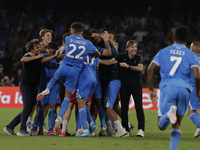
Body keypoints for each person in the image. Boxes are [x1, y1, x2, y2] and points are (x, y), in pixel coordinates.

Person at [37, 22, 98, 134]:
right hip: (75, 71)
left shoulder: (69, 38)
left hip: (64, 66)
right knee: (67, 97)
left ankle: (47, 89)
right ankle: (60, 117)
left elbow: (62, 49)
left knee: (55, 78)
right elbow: (97, 53)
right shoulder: (87, 43)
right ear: (82, 31)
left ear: (72, 30)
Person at [147, 25, 200, 150]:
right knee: (177, 125)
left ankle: (168, 114)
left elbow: (150, 69)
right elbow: (197, 76)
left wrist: (150, 90)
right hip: (185, 89)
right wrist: (198, 91)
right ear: (187, 40)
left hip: (168, 87)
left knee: (162, 125)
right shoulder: (191, 54)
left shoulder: (163, 52)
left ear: (174, 37)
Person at [3, 39, 59, 136]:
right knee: (27, 107)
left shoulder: (38, 57)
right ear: (32, 48)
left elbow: (44, 60)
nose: (39, 48)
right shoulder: (28, 55)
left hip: (33, 86)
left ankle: (10, 126)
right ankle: (22, 130)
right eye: (37, 47)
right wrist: (36, 57)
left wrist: (55, 55)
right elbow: (22, 60)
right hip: (26, 85)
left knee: (29, 109)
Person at [99, 40, 145, 137]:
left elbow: (140, 68)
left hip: (136, 86)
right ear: (127, 48)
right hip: (124, 86)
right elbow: (109, 62)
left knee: (139, 107)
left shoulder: (138, 57)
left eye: (135, 47)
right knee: (124, 109)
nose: (134, 49)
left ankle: (141, 129)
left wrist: (128, 66)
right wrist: (98, 60)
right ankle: (125, 129)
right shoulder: (121, 56)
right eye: (132, 47)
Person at [188, 41, 200, 138]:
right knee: (195, 110)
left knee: (191, 111)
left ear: (192, 50)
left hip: (195, 88)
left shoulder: (191, 61)